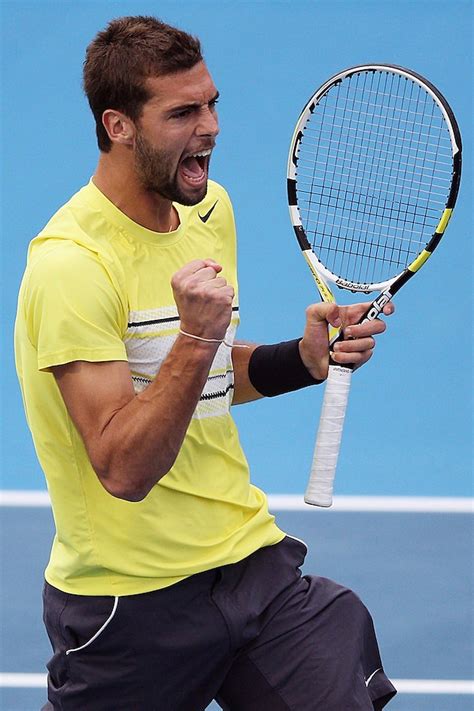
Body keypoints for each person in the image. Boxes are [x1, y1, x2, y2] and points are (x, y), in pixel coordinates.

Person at [15, 15, 397, 711]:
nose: (211, 125)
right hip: (132, 604)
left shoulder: (207, 211)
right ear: (118, 124)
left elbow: (203, 380)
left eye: (213, 102)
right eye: (183, 111)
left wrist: (300, 359)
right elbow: (123, 466)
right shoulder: (71, 267)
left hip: (249, 566)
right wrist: (195, 338)